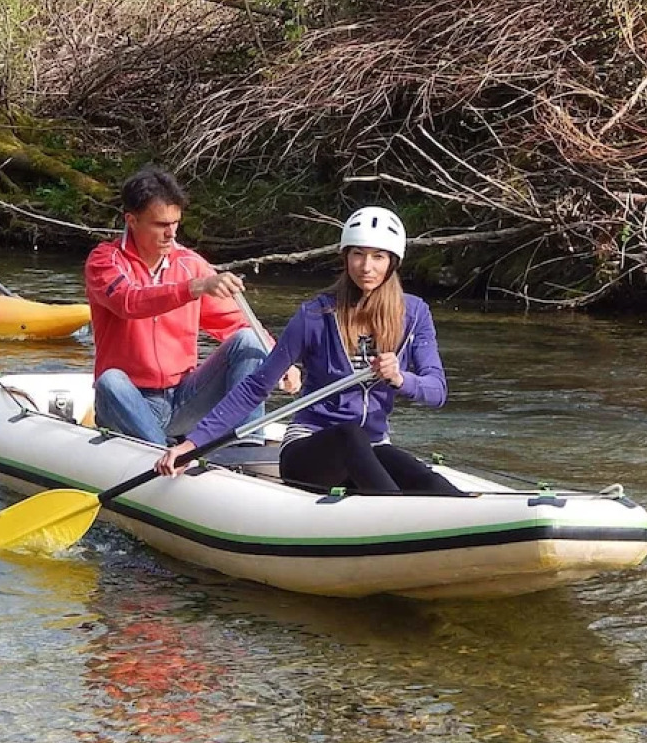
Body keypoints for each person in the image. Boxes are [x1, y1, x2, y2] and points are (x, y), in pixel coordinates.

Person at [155, 205, 463, 496]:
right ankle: (394, 514)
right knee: (349, 434)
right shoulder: (315, 315)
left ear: (392, 262)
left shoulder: (415, 314)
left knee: (428, 481)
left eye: (378, 256)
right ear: (346, 257)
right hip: (308, 451)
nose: (366, 266)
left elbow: (437, 391)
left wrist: (399, 378)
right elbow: (256, 387)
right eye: (357, 254)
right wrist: (192, 444)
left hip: (373, 446)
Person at [85, 166, 299, 445]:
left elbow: (235, 322)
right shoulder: (104, 261)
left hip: (183, 399)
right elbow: (129, 301)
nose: (171, 234)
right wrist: (193, 288)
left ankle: (247, 446)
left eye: (175, 223)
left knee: (248, 340)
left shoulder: (190, 263)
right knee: (110, 381)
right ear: (132, 221)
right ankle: (165, 453)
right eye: (161, 225)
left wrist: (281, 360)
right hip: (130, 399)